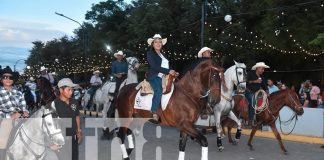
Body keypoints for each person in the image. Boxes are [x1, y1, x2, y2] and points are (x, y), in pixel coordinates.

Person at [146, 34, 178, 122]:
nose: (158, 44)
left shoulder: (163, 55)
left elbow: (168, 65)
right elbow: (154, 66)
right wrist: (168, 71)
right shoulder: (150, 54)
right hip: (154, 76)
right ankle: (154, 112)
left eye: (160, 42)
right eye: (156, 42)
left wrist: (173, 71)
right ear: (152, 44)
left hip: (165, 76)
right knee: (158, 90)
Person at [0, 66, 29, 158]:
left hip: (20, 119)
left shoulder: (19, 92)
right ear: (1, 79)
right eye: (5, 77)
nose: (8, 79)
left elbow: (24, 107)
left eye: (10, 77)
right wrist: (10, 116)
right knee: (3, 141)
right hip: (5, 121)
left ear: (13, 80)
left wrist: (25, 112)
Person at [52, 78, 81, 160]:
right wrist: (52, 142)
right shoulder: (54, 105)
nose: (71, 92)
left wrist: (79, 131)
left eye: (72, 89)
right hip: (61, 140)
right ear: (61, 90)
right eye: (68, 90)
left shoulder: (74, 102)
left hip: (73, 138)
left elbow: (77, 116)